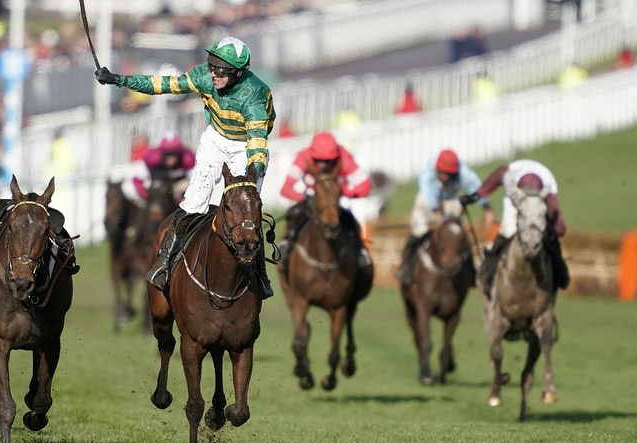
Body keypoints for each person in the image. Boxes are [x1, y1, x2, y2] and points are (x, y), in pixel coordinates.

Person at [95, 36, 276, 298]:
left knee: (247, 208)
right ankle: (163, 265)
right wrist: (119, 80)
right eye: (212, 64)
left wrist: (252, 175)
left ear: (238, 72)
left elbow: (258, 145)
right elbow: (163, 85)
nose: (213, 73)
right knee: (194, 202)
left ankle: (260, 275)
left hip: (246, 145)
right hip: (215, 138)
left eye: (221, 69)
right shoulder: (205, 75)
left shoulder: (255, 95)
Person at [460, 159, 569, 297]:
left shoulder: (548, 182)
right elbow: (491, 182)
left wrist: (554, 228)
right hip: (515, 199)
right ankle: (487, 271)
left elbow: (556, 216)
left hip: (538, 201)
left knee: (546, 235)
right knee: (508, 231)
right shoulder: (508, 175)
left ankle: (559, 271)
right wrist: (473, 197)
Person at [394, 149, 494, 285]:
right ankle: (406, 267)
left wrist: (486, 208)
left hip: (451, 198)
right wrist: (437, 211)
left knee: (459, 233)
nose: (445, 177)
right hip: (428, 201)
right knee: (418, 230)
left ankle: (471, 271)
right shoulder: (429, 169)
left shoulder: (462, 170)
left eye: (449, 174)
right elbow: (428, 190)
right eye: (442, 173)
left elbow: (474, 186)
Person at [279, 131, 373, 268]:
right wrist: (304, 197)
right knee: (293, 215)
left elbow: (365, 186)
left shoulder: (345, 158)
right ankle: (285, 246)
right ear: (312, 156)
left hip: (335, 199)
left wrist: (342, 192)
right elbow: (286, 189)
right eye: (318, 160)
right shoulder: (303, 157)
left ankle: (359, 250)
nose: (323, 164)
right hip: (311, 198)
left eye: (329, 161)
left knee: (351, 220)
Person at [142, 131, 196, 205]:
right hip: (159, 183)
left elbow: (196, 180)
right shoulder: (153, 158)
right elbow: (139, 175)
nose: (170, 158)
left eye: (174, 154)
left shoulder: (188, 158)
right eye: (167, 154)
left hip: (179, 183)